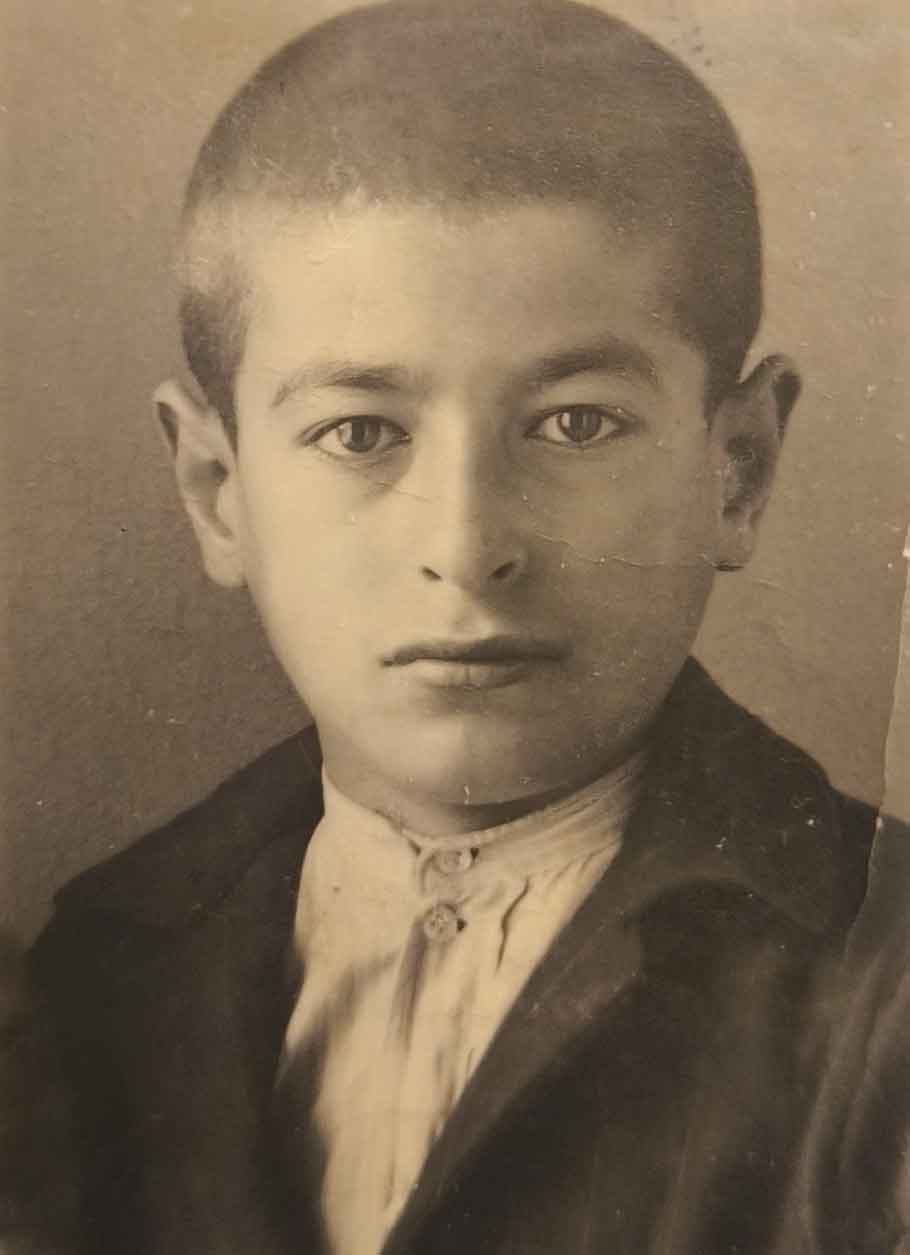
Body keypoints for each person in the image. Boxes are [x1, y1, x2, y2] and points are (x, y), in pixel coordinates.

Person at [30, 2, 880, 1251]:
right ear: (218, 492)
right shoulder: (93, 978)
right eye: (360, 433)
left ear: (737, 468)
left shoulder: (880, 991)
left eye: (576, 423)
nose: (468, 545)